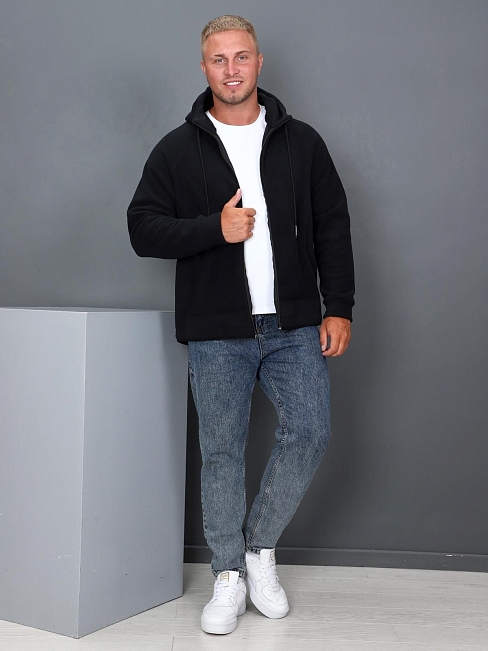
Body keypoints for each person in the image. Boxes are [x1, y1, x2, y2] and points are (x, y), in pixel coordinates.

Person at [127, 15, 354, 636]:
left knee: (310, 430)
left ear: (259, 62)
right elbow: (142, 228)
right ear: (204, 68)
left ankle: (258, 549)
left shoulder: (301, 142)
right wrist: (213, 229)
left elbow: (332, 224)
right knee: (222, 452)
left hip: (293, 323)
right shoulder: (178, 148)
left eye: (242, 57)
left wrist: (338, 306)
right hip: (217, 328)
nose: (232, 70)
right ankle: (227, 574)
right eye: (219, 59)